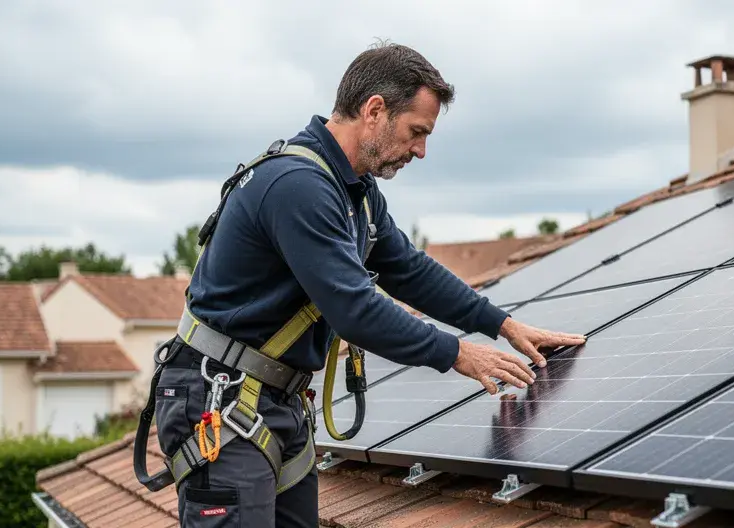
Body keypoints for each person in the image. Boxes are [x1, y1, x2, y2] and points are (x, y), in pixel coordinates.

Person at [151, 41, 587, 527]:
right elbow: (354, 310)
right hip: (222, 399)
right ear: (374, 110)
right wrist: (459, 354)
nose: (421, 151)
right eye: (416, 132)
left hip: (277, 402)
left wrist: (501, 324)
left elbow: (408, 269)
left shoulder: (354, 192)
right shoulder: (298, 186)